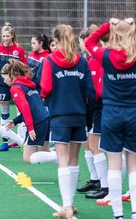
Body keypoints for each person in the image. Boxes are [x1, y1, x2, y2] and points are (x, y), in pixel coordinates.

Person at [40, 24, 95, 219]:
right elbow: (91, 91)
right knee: (73, 160)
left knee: (63, 160)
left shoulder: (49, 61)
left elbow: (45, 88)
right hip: (79, 115)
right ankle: (70, 203)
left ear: (55, 41)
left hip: (60, 116)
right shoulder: (81, 61)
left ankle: (67, 207)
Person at [85, 18, 136, 219]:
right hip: (133, 114)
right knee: (133, 167)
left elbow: (89, 42)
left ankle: (118, 215)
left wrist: (108, 24)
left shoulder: (106, 56)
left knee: (114, 165)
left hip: (112, 114)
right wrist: (132, 26)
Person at [1, 60, 57, 164]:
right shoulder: (27, 84)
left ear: (12, 74)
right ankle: (67, 166)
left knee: (28, 157)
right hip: (45, 118)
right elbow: (33, 107)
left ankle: (62, 156)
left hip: (37, 122)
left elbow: (25, 107)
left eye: (4, 78)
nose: (4, 81)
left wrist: (30, 128)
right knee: (45, 151)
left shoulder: (15, 87)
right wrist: (16, 121)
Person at [76, 25, 109, 200]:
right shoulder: (90, 60)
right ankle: (96, 179)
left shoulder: (98, 60)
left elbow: (98, 89)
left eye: (81, 41)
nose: (80, 45)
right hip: (92, 108)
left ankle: (105, 186)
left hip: (99, 107)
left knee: (95, 145)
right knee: (87, 143)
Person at [0, 22, 27, 151]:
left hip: (17, 86)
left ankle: (22, 140)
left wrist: (24, 84)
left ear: (12, 36)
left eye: (7, 36)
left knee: (21, 112)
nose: (5, 39)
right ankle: (5, 141)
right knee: (4, 114)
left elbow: (24, 69)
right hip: (3, 86)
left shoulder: (19, 50)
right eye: (3, 36)